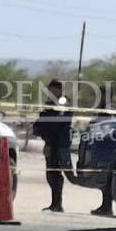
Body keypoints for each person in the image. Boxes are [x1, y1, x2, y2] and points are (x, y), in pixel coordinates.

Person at [33, 79, 72, 212]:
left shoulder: (62, 103)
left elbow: (56, 126)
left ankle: (57, 203)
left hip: (58, 143)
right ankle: (54, 203)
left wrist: (49, 143)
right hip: (51, 142)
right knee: (51, 173)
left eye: (52, 89)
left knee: (55, 173)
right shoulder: (51, 103)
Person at [90, 87, 114, 216]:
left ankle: (107, 207)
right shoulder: (101, 109)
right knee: (104, 178)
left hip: (108, 147)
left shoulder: (109, 109)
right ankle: (105, 205)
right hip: (102, 146)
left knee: (107, 178)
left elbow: (108, 127)